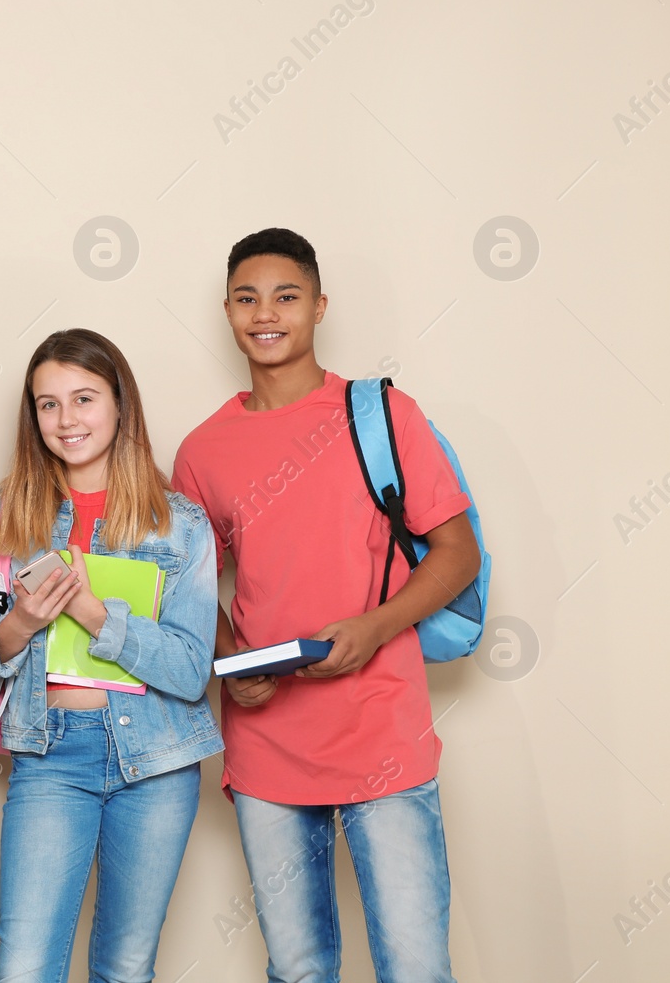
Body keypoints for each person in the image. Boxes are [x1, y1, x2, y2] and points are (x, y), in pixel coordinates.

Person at [172, 228, 480, 983]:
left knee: (415, 967)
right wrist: (226, 663)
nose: (265, 312)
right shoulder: (203, 450)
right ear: (227, 311)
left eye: (286, 295)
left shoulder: (380, 413)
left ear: (318, 307)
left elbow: (457, 551)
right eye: (247, 298)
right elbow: (183, 586)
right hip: (267, 740)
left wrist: (375, 628)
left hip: (382, 729)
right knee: (299, 969)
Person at [0, 327, 221, 982]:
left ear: (118, 405)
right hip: (50, 754)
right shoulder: (5, 513)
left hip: (157, 759)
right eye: (47, 403)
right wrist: (19, 622)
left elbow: (192, 671)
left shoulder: (180, 521)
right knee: (24, 967)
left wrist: (96, 616)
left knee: (126, 968)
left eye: (83, 398)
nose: (65, 419)